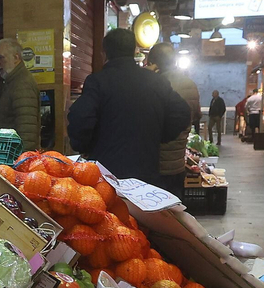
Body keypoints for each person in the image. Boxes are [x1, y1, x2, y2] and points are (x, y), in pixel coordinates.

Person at [67, 28, 192, 188]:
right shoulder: (156, 81)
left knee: (111, 213)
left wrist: (85, 146)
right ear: (134, 51)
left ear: (104, 53)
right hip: (146, 176)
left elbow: (80, 118)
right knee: (141, 213)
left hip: (106, 177)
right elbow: (182, 113)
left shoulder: (97, 82)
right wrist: (158, 136)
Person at [144, 43, 200, 183]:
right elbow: (196, 116)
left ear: (152, 63)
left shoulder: (151, 85)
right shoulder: (190, 84)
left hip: (153, 164)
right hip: (177, 164)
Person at [0, 38, 40, 152]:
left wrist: (22, 160)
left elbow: (27, 130)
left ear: (16, 58)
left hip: (15, 158)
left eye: (1, 58)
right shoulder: (13, 81)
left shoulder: (22, 84)